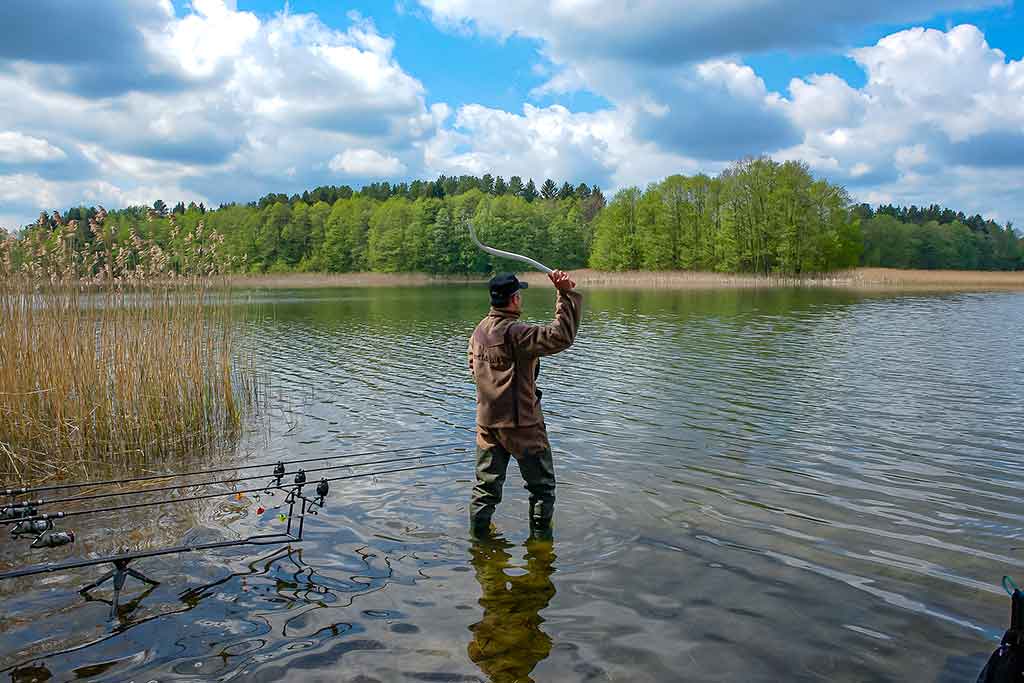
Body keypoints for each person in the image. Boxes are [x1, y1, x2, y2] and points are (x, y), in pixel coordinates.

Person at [467, 270, 582, 537]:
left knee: (485, 489)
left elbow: (473, 366)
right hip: (523, 426)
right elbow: (561, 335)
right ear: (514, 299)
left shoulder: (479, 330)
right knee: (542, 489)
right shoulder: (517, 333)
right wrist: (564, 294)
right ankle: (540, 547)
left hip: (487, 423)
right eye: (519, 295)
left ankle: (478, 540)